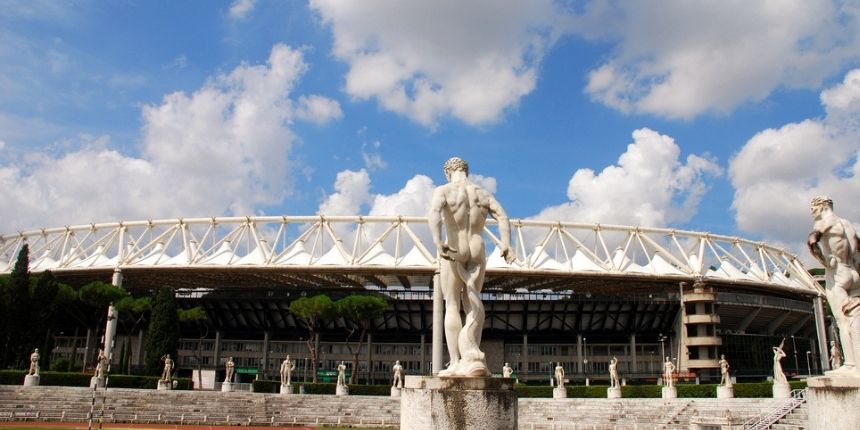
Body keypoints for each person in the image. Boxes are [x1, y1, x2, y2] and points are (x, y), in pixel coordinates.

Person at [428, 157, 514, 377]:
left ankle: (457, 362)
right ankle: (473, 356)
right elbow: (502, 216)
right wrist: (506, 244)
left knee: (453, 306)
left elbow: (434, 214)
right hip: (477, 248)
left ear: (448, 172)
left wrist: (438, 241)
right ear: (466, 170)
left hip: (455, 248)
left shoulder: (444, 190)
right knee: (473, 302)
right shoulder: (482, 194)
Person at [808, 196, 860, 374]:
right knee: (855, 318)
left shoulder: (823, 223)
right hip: (852, 271)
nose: (812, 212)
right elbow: (858, 250)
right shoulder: (847, 224)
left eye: (813, 208)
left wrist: (825, 262)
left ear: (822, 206)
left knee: (842, 320)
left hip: (837, 273)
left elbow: (812, 243)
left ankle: (852, 364)